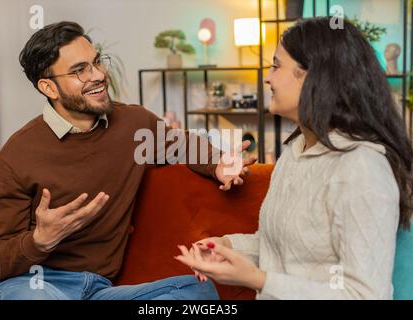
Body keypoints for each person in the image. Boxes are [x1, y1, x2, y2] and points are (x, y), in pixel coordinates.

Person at [0, 21, 256, 300]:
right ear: (49, 88)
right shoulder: (19, 152)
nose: (98, 75)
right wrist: (39, 241)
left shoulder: (133, 125)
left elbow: (182, 145)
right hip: (35, 285)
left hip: (99, 289)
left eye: (97, 62)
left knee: (197, 292)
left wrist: (218, 162)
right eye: (79, 70)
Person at [175, 17, 413, 300]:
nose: (267, 77)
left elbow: (364, 295)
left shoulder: (362, 167)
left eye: (276, 65)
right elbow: (279, 248)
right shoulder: (295, 150)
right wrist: (225, 247)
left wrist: (260, 280)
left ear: (313, 77)